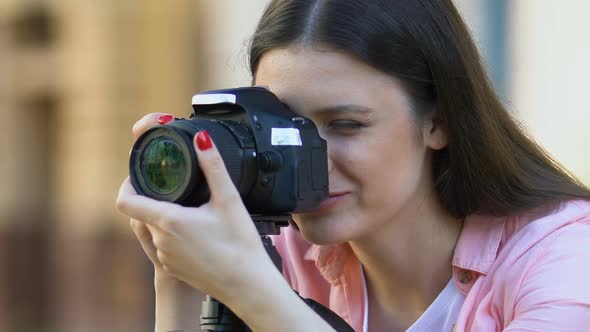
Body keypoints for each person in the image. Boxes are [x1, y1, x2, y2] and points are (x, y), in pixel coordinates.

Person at [116, 0, 590, 331]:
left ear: (438, 121)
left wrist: (255, 294)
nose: (308, 156)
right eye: (285, 126)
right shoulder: (287, 252)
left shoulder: (566, 259)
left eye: (344, 124)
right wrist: (182, 282)